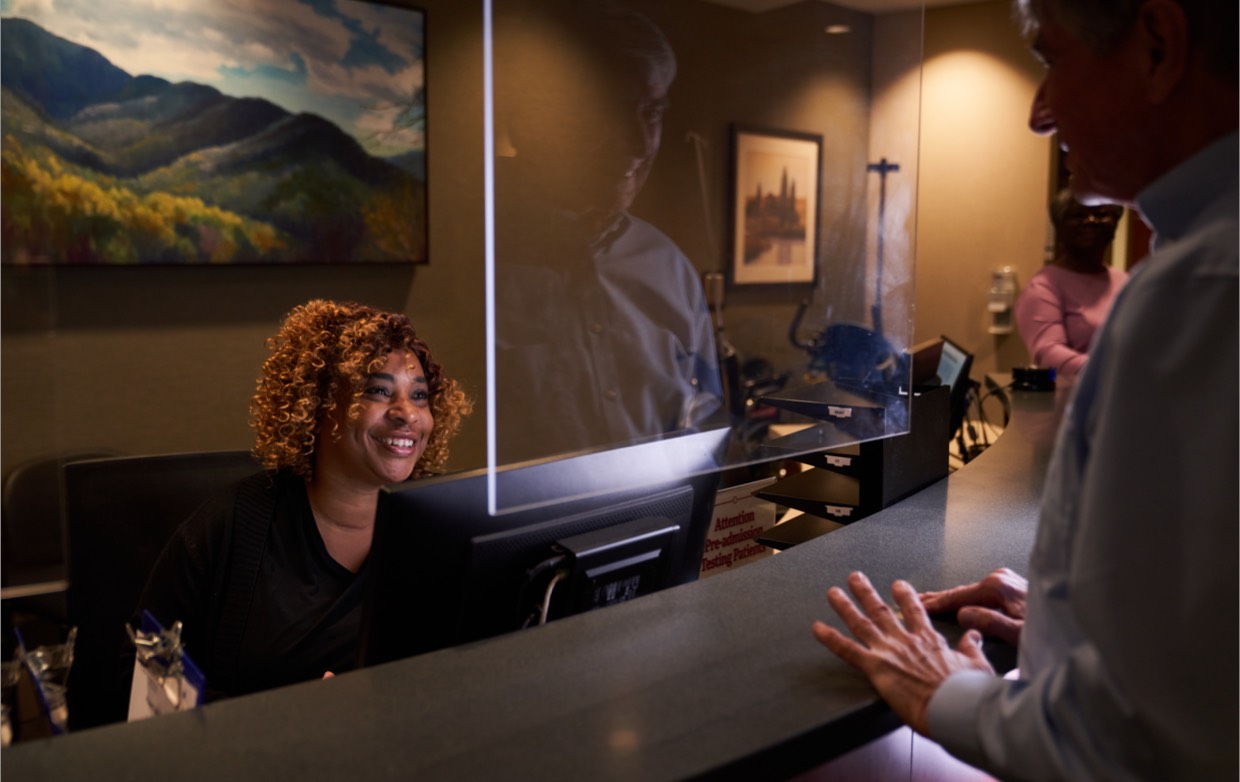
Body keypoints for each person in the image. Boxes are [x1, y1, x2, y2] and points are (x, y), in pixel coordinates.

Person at [812, 1, 1237, 780]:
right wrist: (1072, 624)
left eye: (1050, 59)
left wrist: (943, 692)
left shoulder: (1196, 295)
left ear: (1156, 47)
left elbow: (1113, 747)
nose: (1041, 114)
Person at [134, 299, 471, 699]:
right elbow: (142, 685)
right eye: (378, 391)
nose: (408, 415)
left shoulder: (450, 524)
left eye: (419, 396)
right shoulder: (231, 528)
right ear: (315, 405)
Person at [492, 0, 722, 464]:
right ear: (532, 121)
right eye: (613, 110)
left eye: (652, 113)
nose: (640, 143)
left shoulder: (669, 267)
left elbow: (702, 433)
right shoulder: (465, 257)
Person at [1015, 188, 1128, 377]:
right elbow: (1048, 354)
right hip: (1071, 401)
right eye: (1078, 215)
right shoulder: (1043, 287)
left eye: (1101, 214)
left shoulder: (1125, 280)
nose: (1091, 221)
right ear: (1059, 227)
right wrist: (1115, 374)